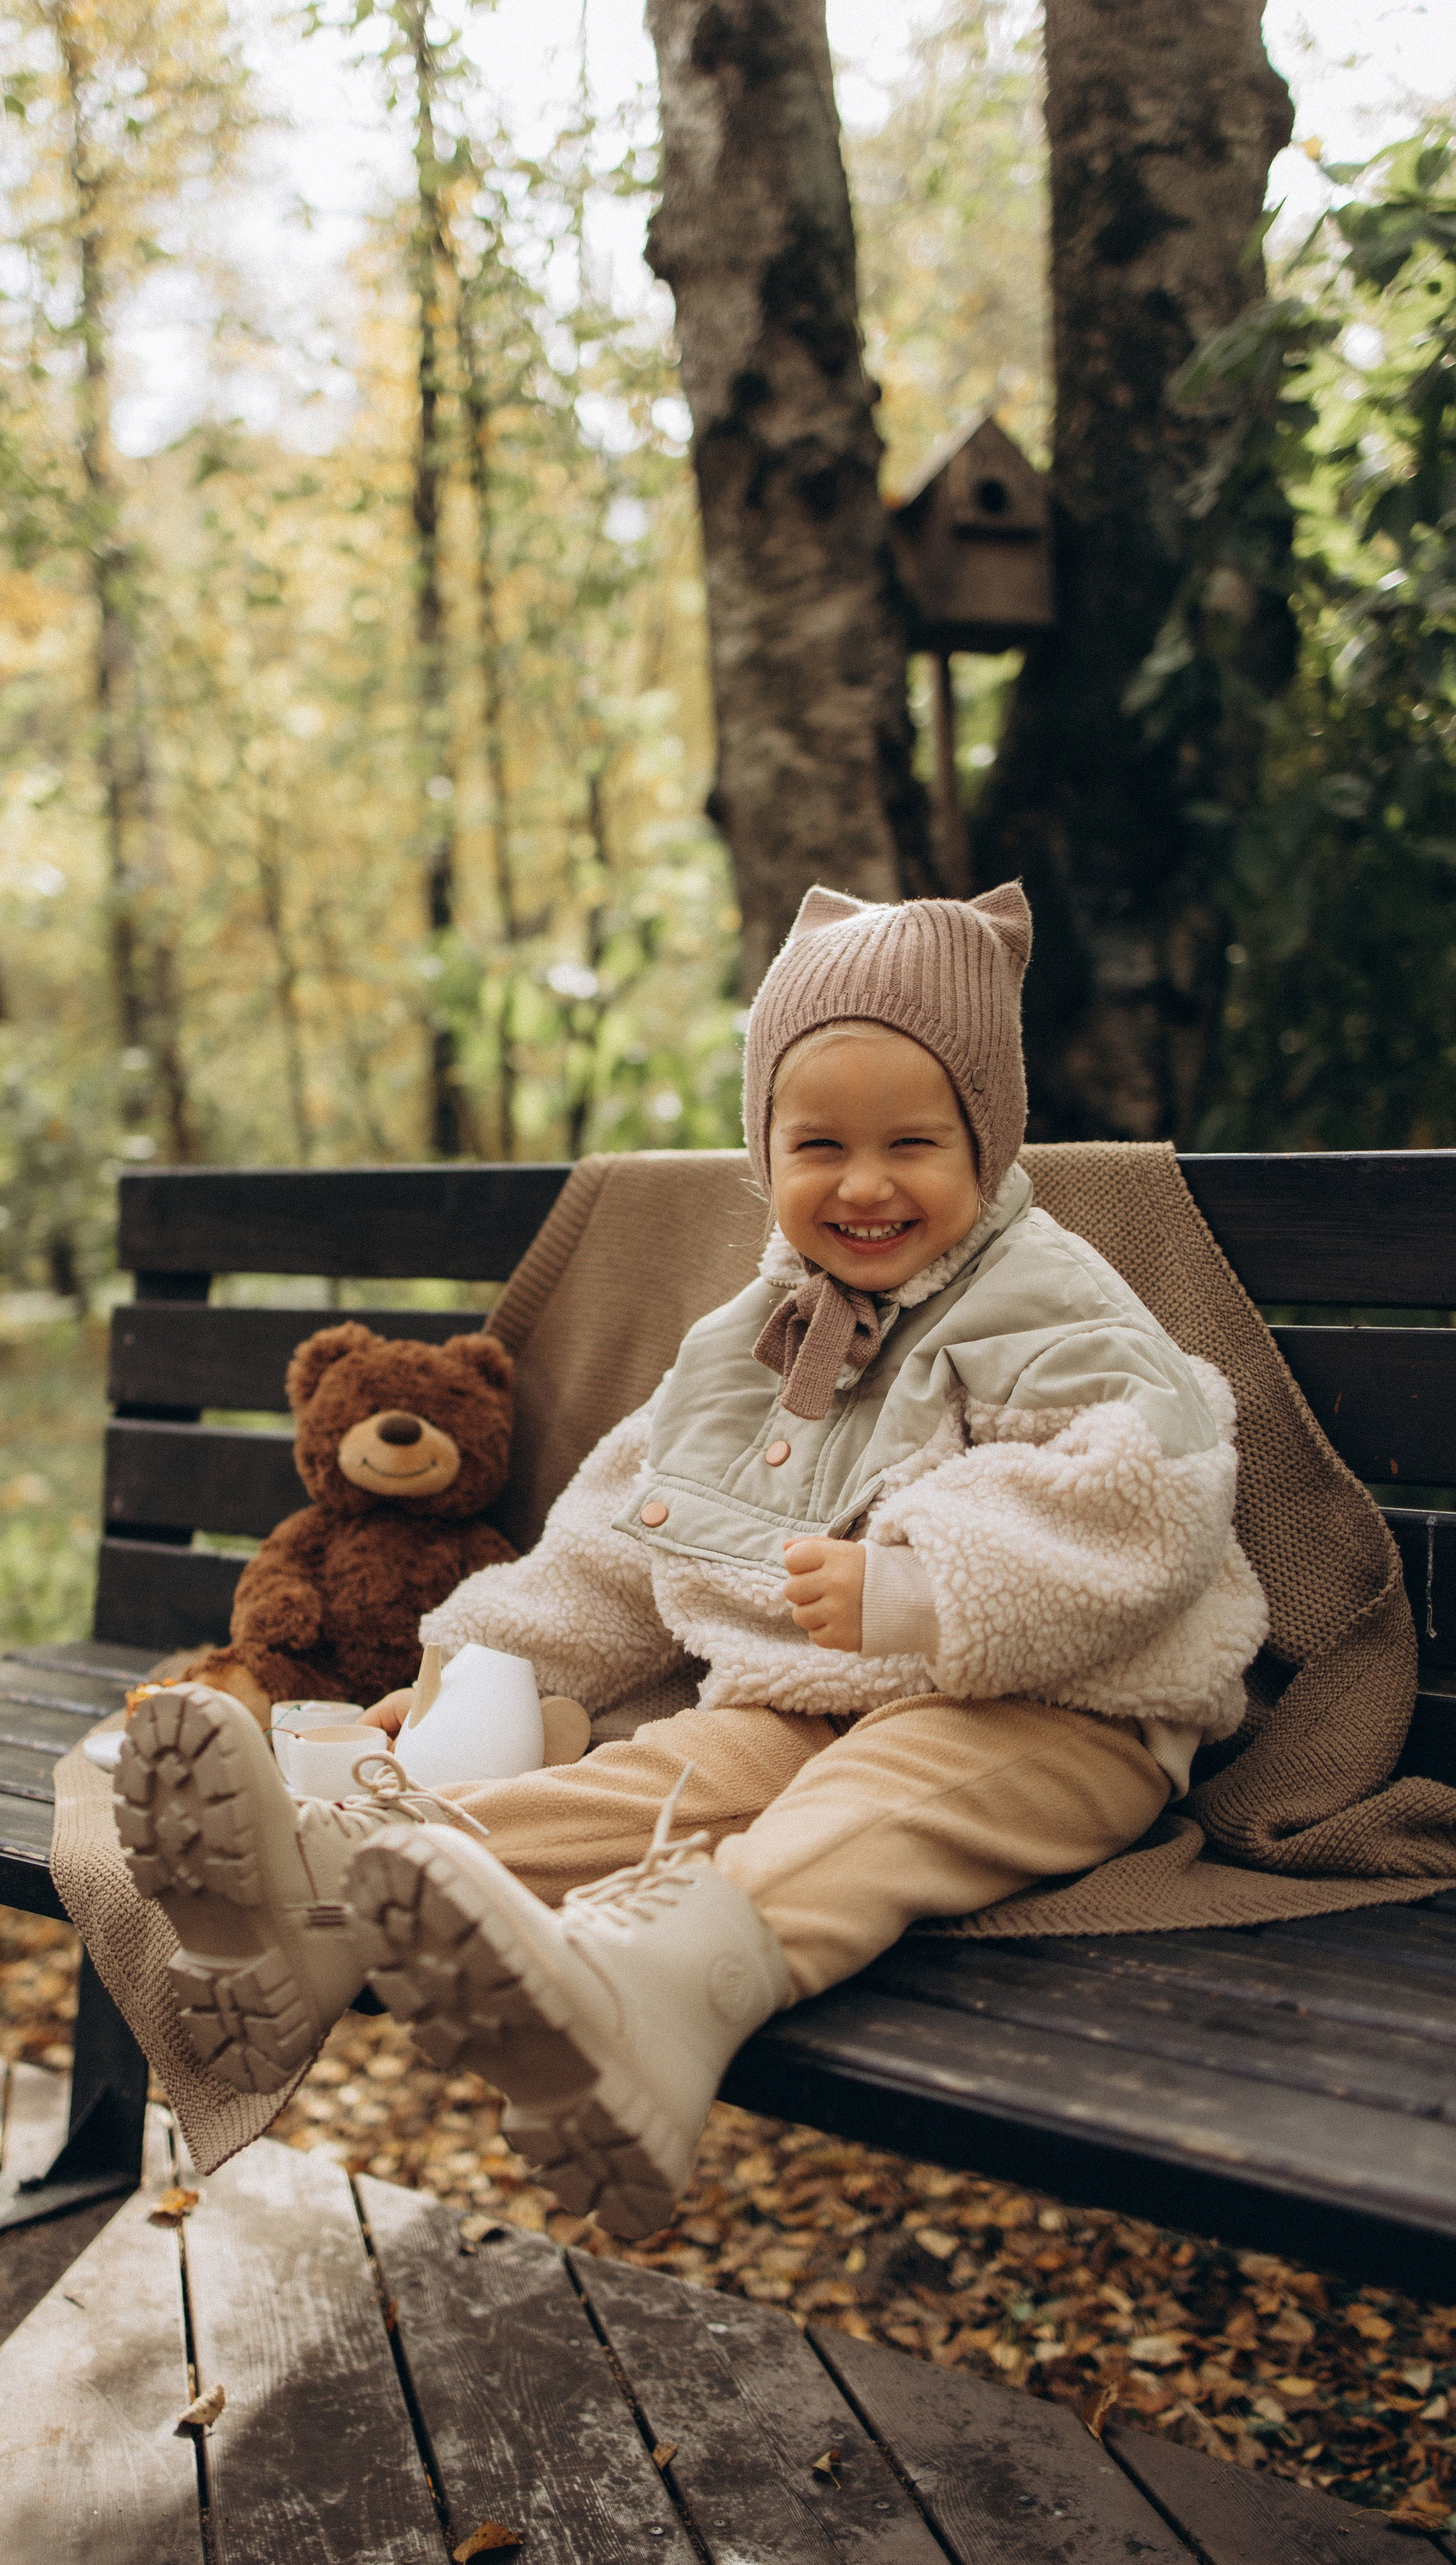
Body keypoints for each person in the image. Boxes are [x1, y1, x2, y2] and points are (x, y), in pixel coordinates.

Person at [112, 883, 1267, 2238]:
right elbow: (620, 1529)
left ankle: (663, 1989)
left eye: (915, 1141)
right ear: (762, 1149)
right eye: (818, 1141)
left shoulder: (1051, 1300)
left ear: (989, 1138)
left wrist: (924, 1584)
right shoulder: (749, 1337)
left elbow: (1151, 1490)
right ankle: (339, 1893)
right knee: (668, 1772)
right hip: (805, 1699)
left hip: (1065, 1711)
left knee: (886, 1801)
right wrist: (467, 1665)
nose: (866, 1180)